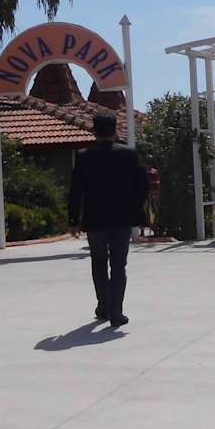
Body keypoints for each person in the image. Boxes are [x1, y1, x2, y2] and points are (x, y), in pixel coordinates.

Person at [69, 114, 148, 329]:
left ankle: (103, 306)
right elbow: (143, 186)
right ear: (115, 131)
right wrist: (135, 207)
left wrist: (73, 220)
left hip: (95, 219)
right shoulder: (129, 155)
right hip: (122, 218)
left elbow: (75, 191)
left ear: (94, 131)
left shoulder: (83, 156)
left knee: (98, 263)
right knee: (119, 265)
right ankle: (116, 312)